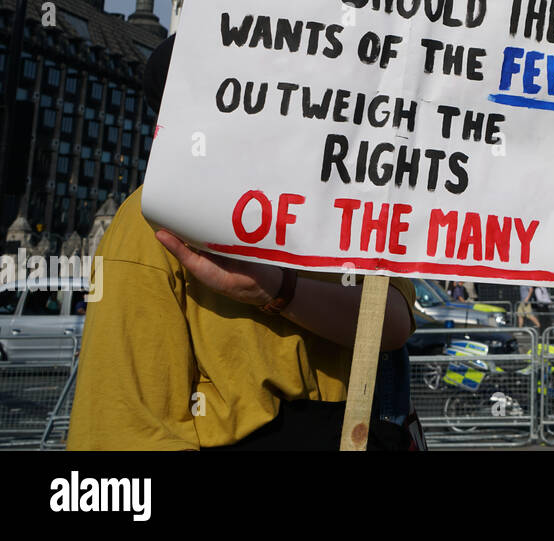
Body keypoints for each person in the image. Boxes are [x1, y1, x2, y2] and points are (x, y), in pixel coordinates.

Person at [68, 36, 418, 450]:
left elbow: (393, 323)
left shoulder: (333, 201)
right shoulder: (147, 222)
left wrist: (278, 290)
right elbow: (124, 427)